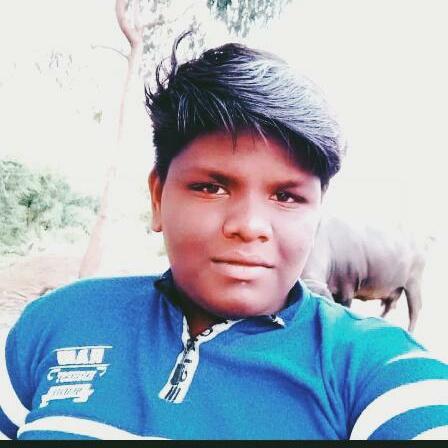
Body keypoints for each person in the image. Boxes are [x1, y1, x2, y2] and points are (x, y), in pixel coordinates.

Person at [1, 34, 447, 441]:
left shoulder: (368, 368)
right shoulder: (55, 321)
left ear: (316, 216)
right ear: (157, 197)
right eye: (211, 188)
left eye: (286, 196)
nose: (249, 225)